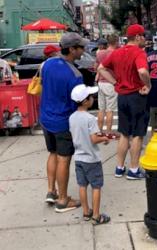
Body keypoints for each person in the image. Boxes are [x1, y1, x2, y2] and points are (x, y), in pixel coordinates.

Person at [40, 32, 88, 212]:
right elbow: (78, 104)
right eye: (81, 47)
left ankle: (51, 191)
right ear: (72, 49)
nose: (83, 50)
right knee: (64, 159)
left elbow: (45, 86)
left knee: (52, 153)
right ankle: (62, 200)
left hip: (46, 118)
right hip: (63, 122)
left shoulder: (48, 64)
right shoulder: (75, 75)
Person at [98, 24, 151, 180]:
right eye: (143, 36)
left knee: (124, 133)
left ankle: (119, 167)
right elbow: (142, 71)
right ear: (138, 37)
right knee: (138, 134)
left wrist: (115, 83)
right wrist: (148, 84)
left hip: (122, 97)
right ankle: (134, 170)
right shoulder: (139, 52)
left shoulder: (117, 52)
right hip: (137, 96)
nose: (145, 39)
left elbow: (101, 68)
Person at [69, 84, 111, 225]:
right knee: (96, 186)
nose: (93, 98)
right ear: (85, 101)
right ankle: (97, 216)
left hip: (79, 158)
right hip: (92, 159)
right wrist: (105, 138)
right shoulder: (90, 119)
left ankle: (86, 212)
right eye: (91, 96)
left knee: (82, 185)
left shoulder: (72, 118)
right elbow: (94, 139)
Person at [96, 34, 119, 138]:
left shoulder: (99, 53)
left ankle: (99, 131)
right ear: (116, 42)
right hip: (110, 82)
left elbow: (96, 66)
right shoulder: (115, 53)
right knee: (110, 109)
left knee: (101, 109)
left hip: (100, 82)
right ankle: (109, 132)